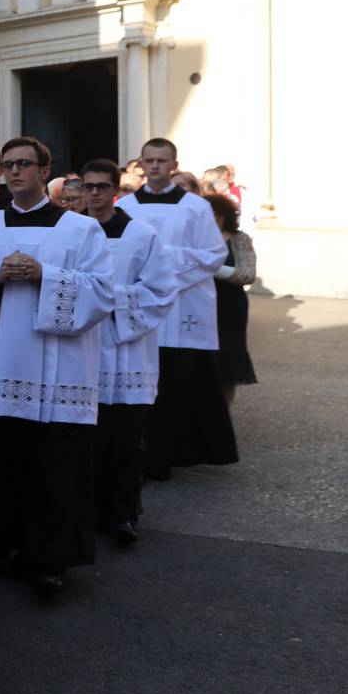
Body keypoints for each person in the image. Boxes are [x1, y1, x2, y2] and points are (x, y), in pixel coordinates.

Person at [0, 136, 113, 597]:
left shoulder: (80, 231)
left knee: (52, 472)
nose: (14, 172)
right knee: (0, 467)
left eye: (24, 164)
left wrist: (47, 274)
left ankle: (47, 560)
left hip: (57, 374)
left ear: (46, 171)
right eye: (8, 165)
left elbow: (103, 293)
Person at [117, 138, 237, 477]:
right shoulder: (126, 206)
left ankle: (171, 455)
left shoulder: (195, 207)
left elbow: (213, 254)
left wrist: (162, 271)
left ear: (174, 165)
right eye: (149, 160)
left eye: (162, 160)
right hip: (140, 304)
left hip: (183, 306)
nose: (155, 166)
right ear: (141, 164)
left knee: (177, 386)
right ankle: (139, 454)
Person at [78, 160, 173, 546]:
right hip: (84, 349)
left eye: (102, 187)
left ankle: (123, 513)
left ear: (115, 190)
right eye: (89, 187)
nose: (95, 194)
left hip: (128, 350)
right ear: (81, 191)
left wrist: (109, 299)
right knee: (90, 439)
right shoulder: (74, 234)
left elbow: (161, 290)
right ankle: (88, 508)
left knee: (128, 441)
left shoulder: (140, 235)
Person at [208, 192, 258, 408]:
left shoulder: (239, 238)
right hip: (202, 305)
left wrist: (211, 268)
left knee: (229, 359)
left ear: (220, 216)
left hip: (230, 306)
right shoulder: (195, 240)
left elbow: (247, 274)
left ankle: (223, 413)